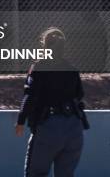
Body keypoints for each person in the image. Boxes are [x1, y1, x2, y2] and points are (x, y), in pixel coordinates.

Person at [15, 27, 89, 177]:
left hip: (49, 128)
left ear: (44, 46)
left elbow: (29, 96)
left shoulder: (38, 68)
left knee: (36, 173)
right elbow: (79, 94)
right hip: (74, 128)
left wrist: (21, 120)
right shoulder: (72, 69)